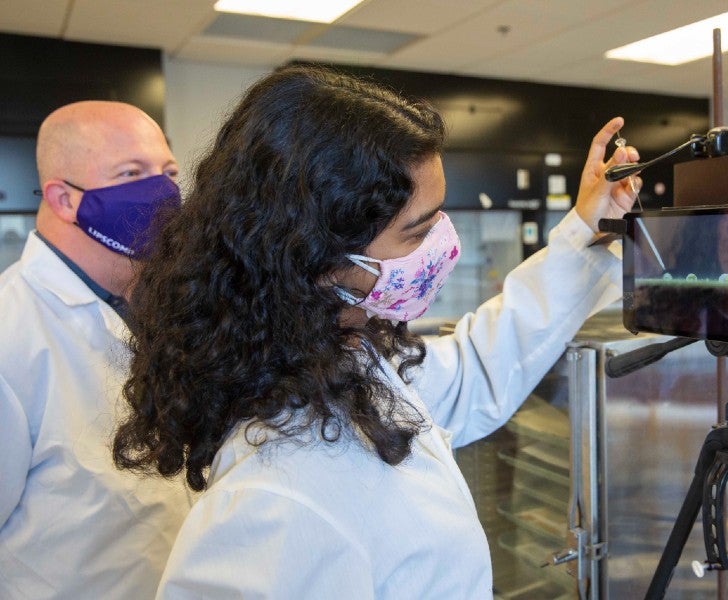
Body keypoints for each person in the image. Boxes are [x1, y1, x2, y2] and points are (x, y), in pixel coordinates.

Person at [112, 64, 640, 598]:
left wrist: (582, 232)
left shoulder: (340, 357)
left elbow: (473, 372)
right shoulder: (274, 502)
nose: (443, 245)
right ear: (316, 256)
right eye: (418, 231)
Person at [0, 100, 193, 597]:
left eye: (168, 171)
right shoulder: (12, 332)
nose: (163, 191)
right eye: (132, 173)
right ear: (64, 200)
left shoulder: (164, 306)